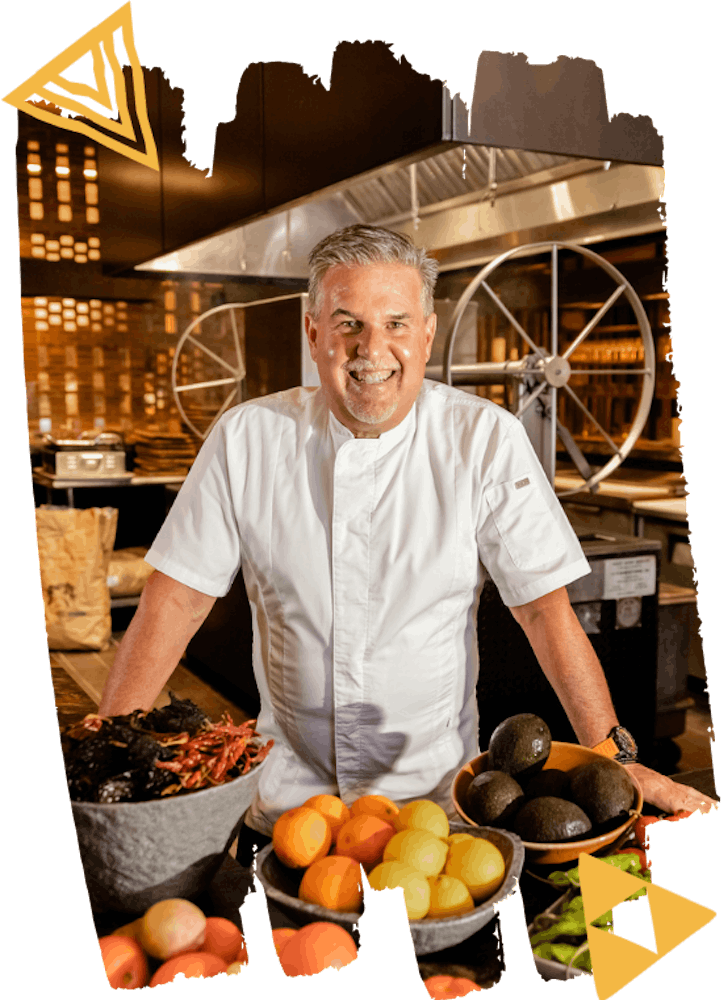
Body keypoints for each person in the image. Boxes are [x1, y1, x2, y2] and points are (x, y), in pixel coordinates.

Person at [98, 225, 716, 851]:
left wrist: (616, 756)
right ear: (313, 333)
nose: (373, 348)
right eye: (348, 324)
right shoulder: (246, 439)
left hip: (438, 817)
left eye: (396, 324)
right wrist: (105, 751)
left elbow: (544, 612)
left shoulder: (484, 440)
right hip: (288, 816)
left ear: (426, 334)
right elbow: (175, 600)